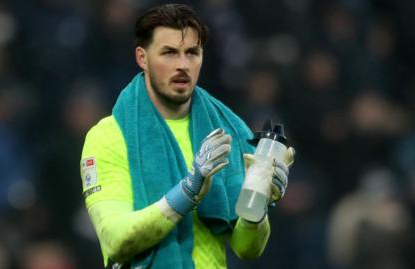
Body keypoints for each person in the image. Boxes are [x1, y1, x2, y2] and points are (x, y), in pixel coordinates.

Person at [80, 4, 295, 269]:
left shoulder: (228, 133)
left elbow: (247, 249)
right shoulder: (109, 136)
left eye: (192, 52)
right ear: (142, 58)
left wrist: (258, 203)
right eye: (169, 53)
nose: (183, 65)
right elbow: (115, 239)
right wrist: (188, 191)